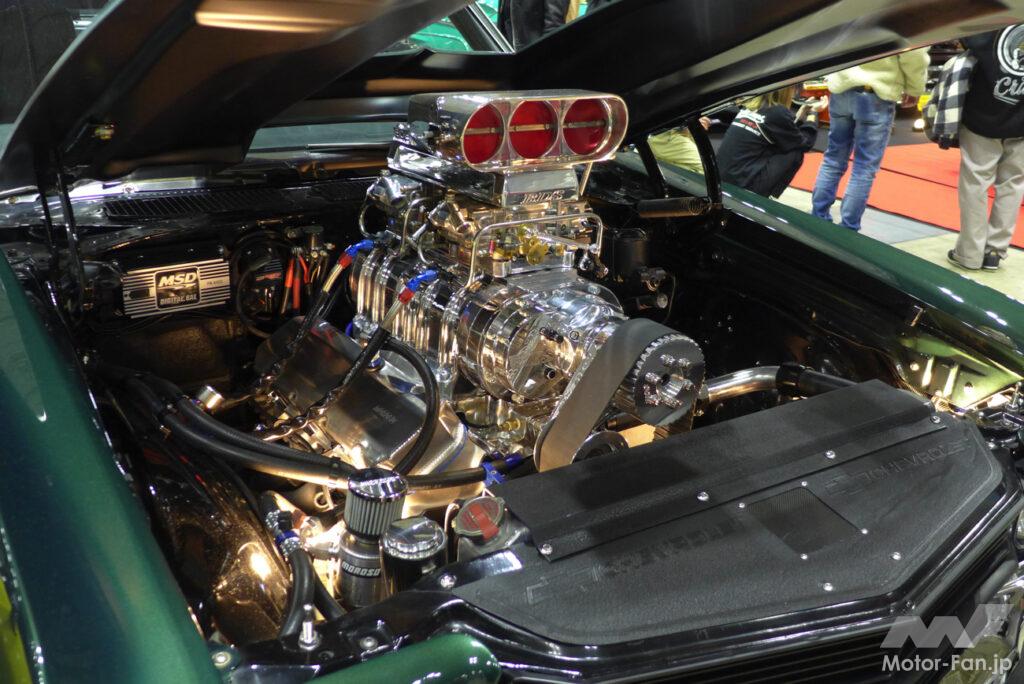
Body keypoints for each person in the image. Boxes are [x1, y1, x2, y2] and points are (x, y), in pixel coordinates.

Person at [811, 49, 930, 230]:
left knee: (833, 159)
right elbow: (915, 54)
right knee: (863, 167)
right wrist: (914, 88)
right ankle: (848, 229)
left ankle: (817, 219)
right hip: (875, 93)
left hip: (842, 87)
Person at [947, 26, 1024, 271]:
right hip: (1021, 121)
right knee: (1013, 184)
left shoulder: (994, 17)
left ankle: (969, 254)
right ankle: (994, 252)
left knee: (975, 183)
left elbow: (966, 35)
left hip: (983, 113)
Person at [717, 87, 824, 198]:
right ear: (786, 91)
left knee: (784, 143)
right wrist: (813, 113)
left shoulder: (750, 106)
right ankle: (763, 196)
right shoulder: (777, 112)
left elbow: (784, 133)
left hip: (720, 177)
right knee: (795, 151)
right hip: (741, 184)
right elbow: (805, 143)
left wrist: (800, 115)